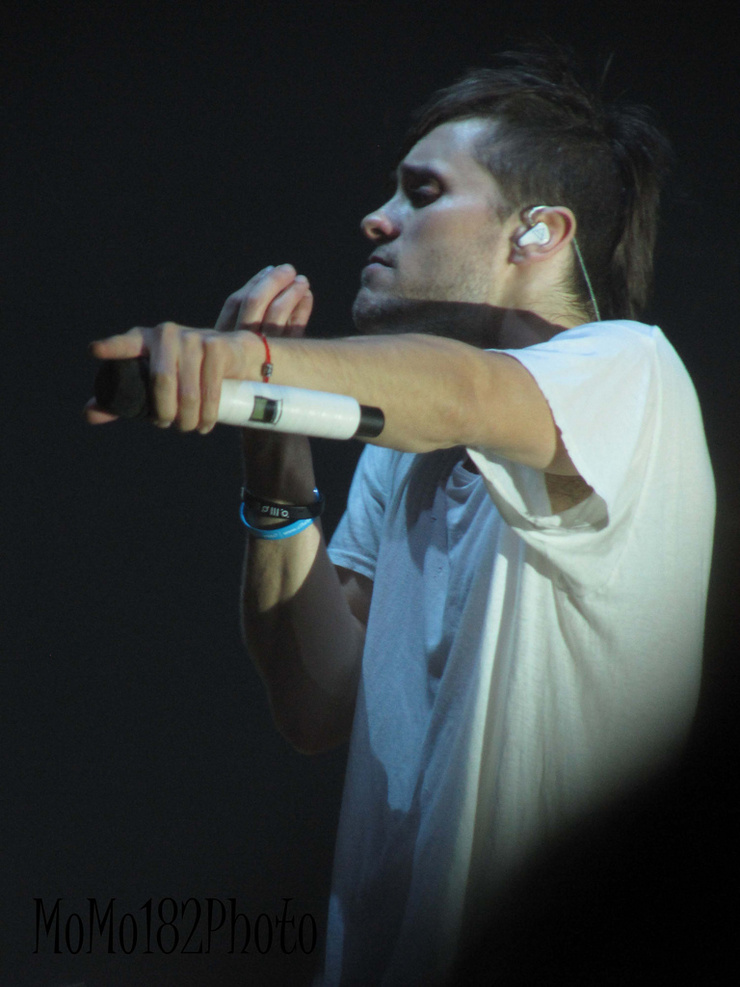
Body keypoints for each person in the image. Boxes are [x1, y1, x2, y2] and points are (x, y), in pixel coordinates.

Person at [87, 47, 715, 987]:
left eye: (423, 193)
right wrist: (274, 441)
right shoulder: (404, 450)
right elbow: (319, 701)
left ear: (537, 232)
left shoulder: (632, 369)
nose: (377, 218)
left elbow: (465, 389)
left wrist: (247, 365)